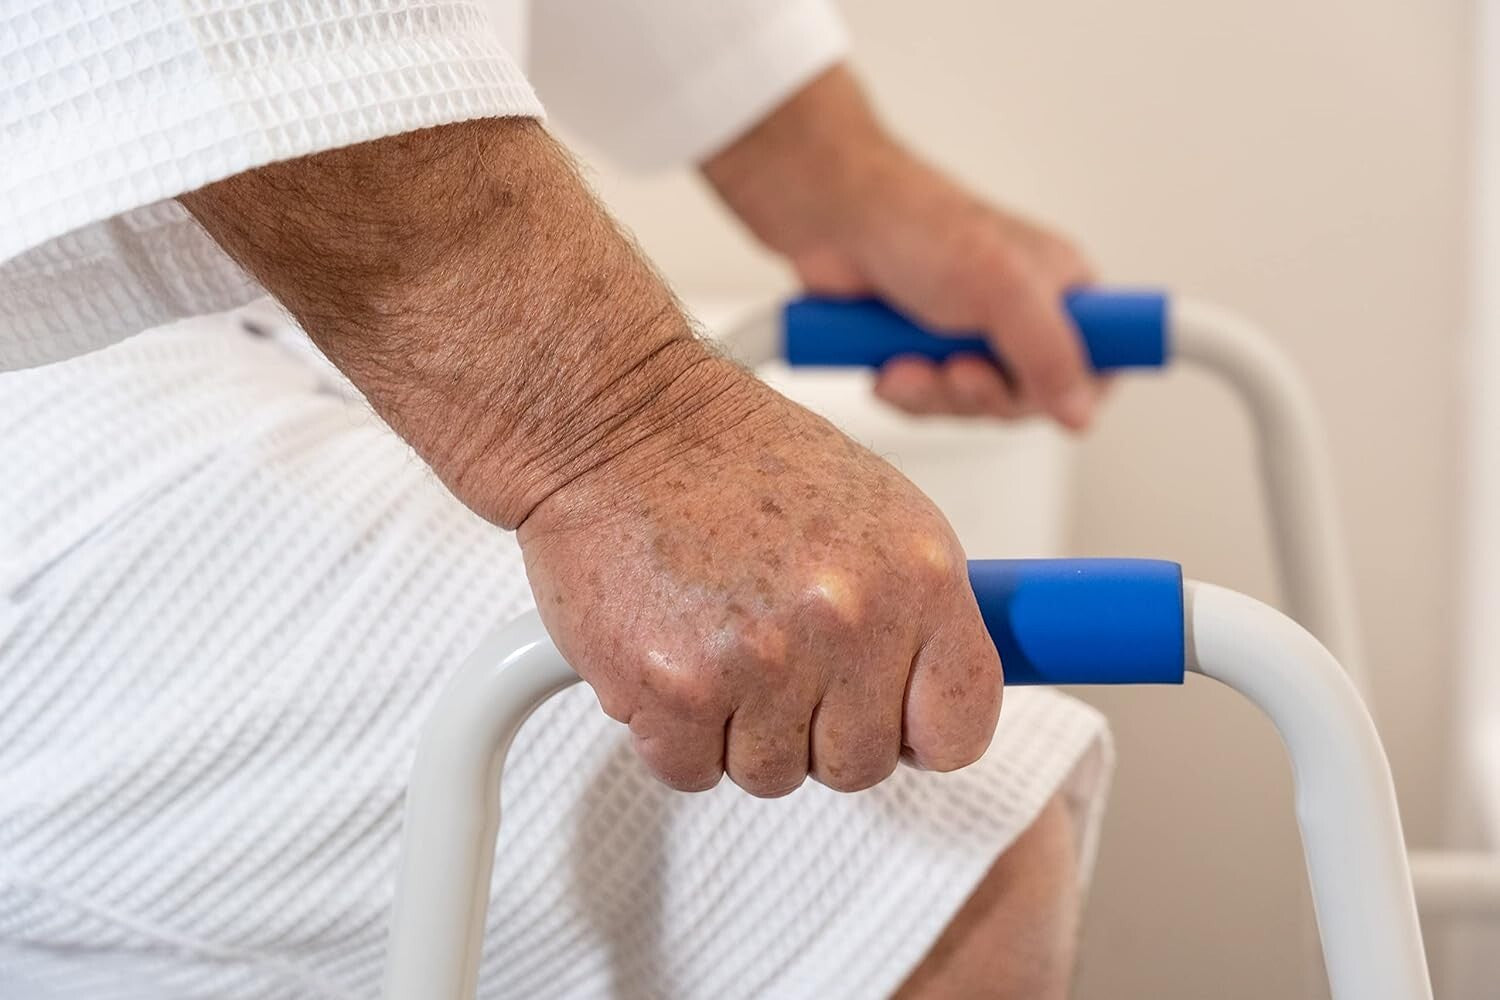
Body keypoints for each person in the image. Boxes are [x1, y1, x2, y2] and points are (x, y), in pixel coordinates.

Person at [0, 2, 1112, 997]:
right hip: (50, 383)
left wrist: (844, 184)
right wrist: (622, 422)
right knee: (918, 878)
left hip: (268, 332)